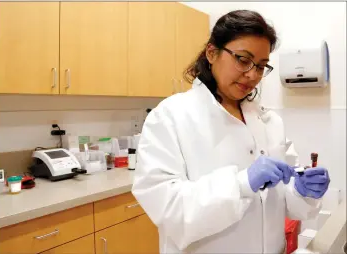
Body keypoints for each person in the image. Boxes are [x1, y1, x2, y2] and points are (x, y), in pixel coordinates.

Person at [132, 9, 330, 254]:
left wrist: (302, 191)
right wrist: (241, 184)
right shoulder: (170, 117)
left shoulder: (269, 121)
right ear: (212, 53)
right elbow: (171, 212)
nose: (252, 75)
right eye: (243, 60)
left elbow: (284, 201)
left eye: (261, 66)